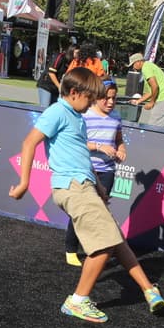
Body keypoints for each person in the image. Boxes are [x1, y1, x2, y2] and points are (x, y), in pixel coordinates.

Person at [8, 67, 164, 324]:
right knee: (105, 243)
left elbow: (80, 154)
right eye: (89, 97)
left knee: (115, 239)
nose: (93, 102)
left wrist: (99, 186)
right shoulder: (57, 112)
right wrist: (24, 182)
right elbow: (29, 143)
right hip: (71, 187)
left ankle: (149, 291)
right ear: (74, 92)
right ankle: (78, 301)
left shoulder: (77, 117)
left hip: (86, 185)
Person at [64, 78, 126, 266]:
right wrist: (99, 147)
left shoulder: (116, 117)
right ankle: (71, 249)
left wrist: (121, 150)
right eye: (106, 98)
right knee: (82, 210)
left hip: (108, 171)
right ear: (96, 97)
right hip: (86, 170)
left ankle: (98, 248)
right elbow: (77, 143)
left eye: (114, 98)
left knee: (101, 210)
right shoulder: (85, 115)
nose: (110, 102)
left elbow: (119, 139)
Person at [129, 52, 164, 128]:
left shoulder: (146, 68)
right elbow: (150, 92)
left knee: (153, 129)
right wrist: (138, 101)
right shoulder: (148, 66)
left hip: (162, 99)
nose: (133, 67)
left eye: (133, 64)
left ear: (138, 62)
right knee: (158, 128)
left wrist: (151, 102)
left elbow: (155, 86)